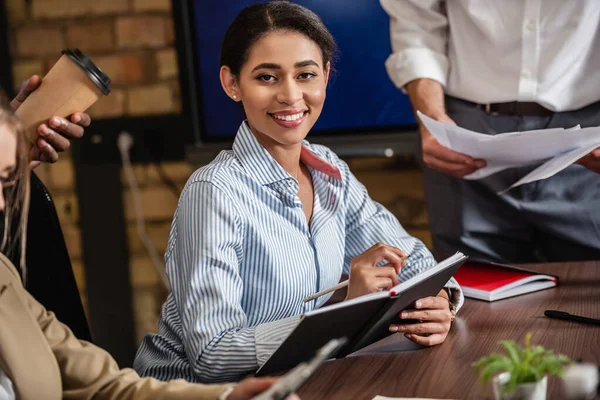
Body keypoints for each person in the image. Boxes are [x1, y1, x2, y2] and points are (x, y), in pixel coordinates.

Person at [133, 0, 463, 385]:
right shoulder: (214, 192)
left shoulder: (330, 172)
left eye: (305, 75)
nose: (291, 96)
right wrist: (347, 310)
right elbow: (212, 356)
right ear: (231, 83)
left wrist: (437, 302)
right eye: (267, 78)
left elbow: (416, 262)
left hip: (300, 381)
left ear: (325, 76)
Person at [0, 94, 297, 400]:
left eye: (5, 181)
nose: (1, 204)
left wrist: (228, 398)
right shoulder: (213, 187)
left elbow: (107, 386)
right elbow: (213, 351)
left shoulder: (3, 276)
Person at [380, 0, 600, 264]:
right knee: (470, 287)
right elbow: (416, 21)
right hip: (463, 137)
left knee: (587, 287)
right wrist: (432, 117)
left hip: (586, 138)